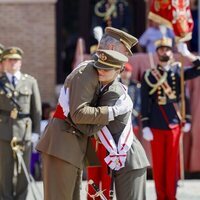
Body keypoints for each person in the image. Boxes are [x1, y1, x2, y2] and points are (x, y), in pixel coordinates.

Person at [36, 27, 137, 199]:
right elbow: (79, 113)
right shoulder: (88, 72)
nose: (127, 57)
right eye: (124, 51)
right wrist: (113, 111)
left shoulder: (96, 71)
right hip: (63, 144)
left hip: (72, 145)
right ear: (112, 49)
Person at [84, 49, 149, 200]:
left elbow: (92, 122)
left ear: (118, 71)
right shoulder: (104, 89)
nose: (101, 71)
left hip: (128, 159)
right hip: (121, 159)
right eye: (99, 66)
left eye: (107, 68)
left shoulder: (112, 92)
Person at [141, 37, 200, 200]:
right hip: (156, 124)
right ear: (157, 52)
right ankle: (161, 196)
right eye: (161, 49)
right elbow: (145, 100)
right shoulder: (149, 75)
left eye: (167, 49)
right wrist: (145, 124)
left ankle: (171, 196)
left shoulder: (178, 71)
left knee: (172, 164)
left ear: (171, 52)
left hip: (174, 123)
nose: (164, 52)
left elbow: (198, 70)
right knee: (159, 165)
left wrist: (187, 54)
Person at [0, 47, 42, 199]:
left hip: (25, 133)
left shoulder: (30, 82)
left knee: (24, 171)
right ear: (4, 62)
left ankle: (21, 198)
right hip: (3, 133)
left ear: (21, 62)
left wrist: (36, 132)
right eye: (9, 60)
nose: (13, 63)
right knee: (5, 171)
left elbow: (36, 110)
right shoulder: (1, 82)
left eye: (16, 60)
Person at [120, 62, 141, 136]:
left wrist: (133, 115)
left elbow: (138, 102)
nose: (125, 73)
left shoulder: (135, 85)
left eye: (127, 71)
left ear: (131, 73)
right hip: (118, 119)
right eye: (123, 71)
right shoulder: (116, 84)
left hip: (132, 119)